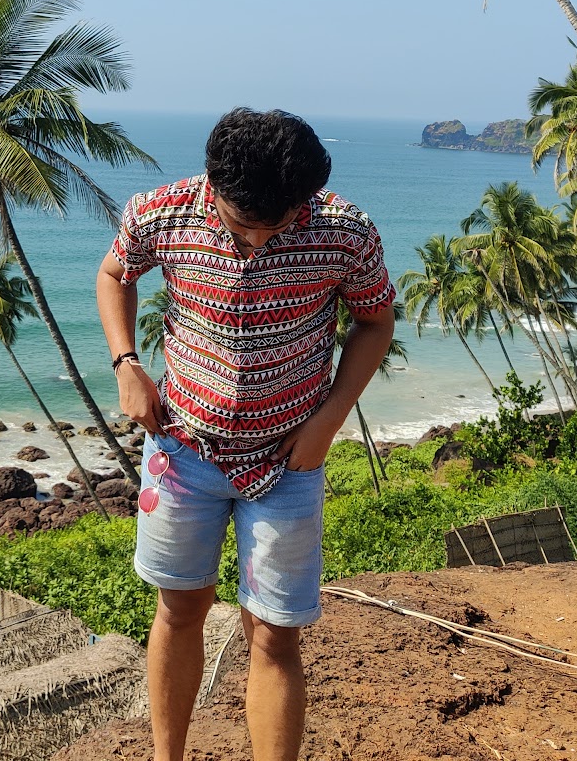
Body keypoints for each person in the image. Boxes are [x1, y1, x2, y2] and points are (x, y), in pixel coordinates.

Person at [95, 108, 395, 761]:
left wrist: (329, 419)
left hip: (290, 459)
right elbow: (116, 272)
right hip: (183, 450)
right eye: (243, 224)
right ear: (212, 188)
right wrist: (127, 364)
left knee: (276, 633)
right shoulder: (161, 211)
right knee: (179, 613)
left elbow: (376, 321)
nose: (262, 238)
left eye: (283, 220)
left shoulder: (345, 231)